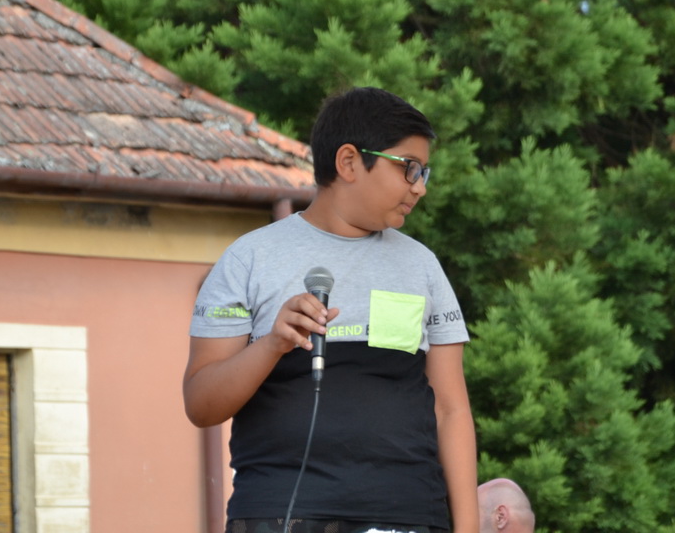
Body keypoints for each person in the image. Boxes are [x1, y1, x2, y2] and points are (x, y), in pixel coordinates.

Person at [184, 87, 477, 533]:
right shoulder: (248, 259)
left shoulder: (422, 266)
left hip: (407, 515)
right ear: (349, 162)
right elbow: (201, 404)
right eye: (409, 167)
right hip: (277, 513)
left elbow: (451, 410)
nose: (419, 186)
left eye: (424, 172)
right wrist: (272, 345)